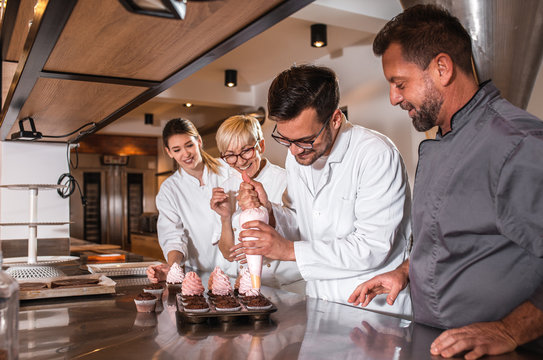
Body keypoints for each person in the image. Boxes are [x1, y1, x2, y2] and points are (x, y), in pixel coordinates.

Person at [348, 4, 543, 359]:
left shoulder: (517, 144)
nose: (393, 97)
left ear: (442, 68)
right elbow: (455, 238)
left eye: (399, 83)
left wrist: (509, 330)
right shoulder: (442, 140)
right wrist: (407, 271)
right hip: (434, 344)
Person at [232, 65, 412, 316]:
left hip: (374, 309)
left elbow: (371, 247)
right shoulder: (297, 155)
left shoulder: (376, 154)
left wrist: (288, 250)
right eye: (285, 139)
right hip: (320, 303)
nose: (294, 151)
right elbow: (300, 221)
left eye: (305, 140)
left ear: (335, 119)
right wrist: (270, 211)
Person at [209, 115, 304, 293]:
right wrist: (225, 217)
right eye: (230, 155)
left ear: (260, 146)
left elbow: (302, 233)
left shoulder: (287, 181)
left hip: (288, 287)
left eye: (246, 151)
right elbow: (228, 254)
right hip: (249, 286)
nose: (240, 161)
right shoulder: (226, 188)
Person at [147, 118, 234, 282]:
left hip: (241, 270)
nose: (185, 154)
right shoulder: (169, 190)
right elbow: (173, 238)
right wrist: (172, 268)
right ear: (169, 152)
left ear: (199, 141)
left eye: (189, 145)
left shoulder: (228, 169)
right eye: (177, 149)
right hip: (202, 275)